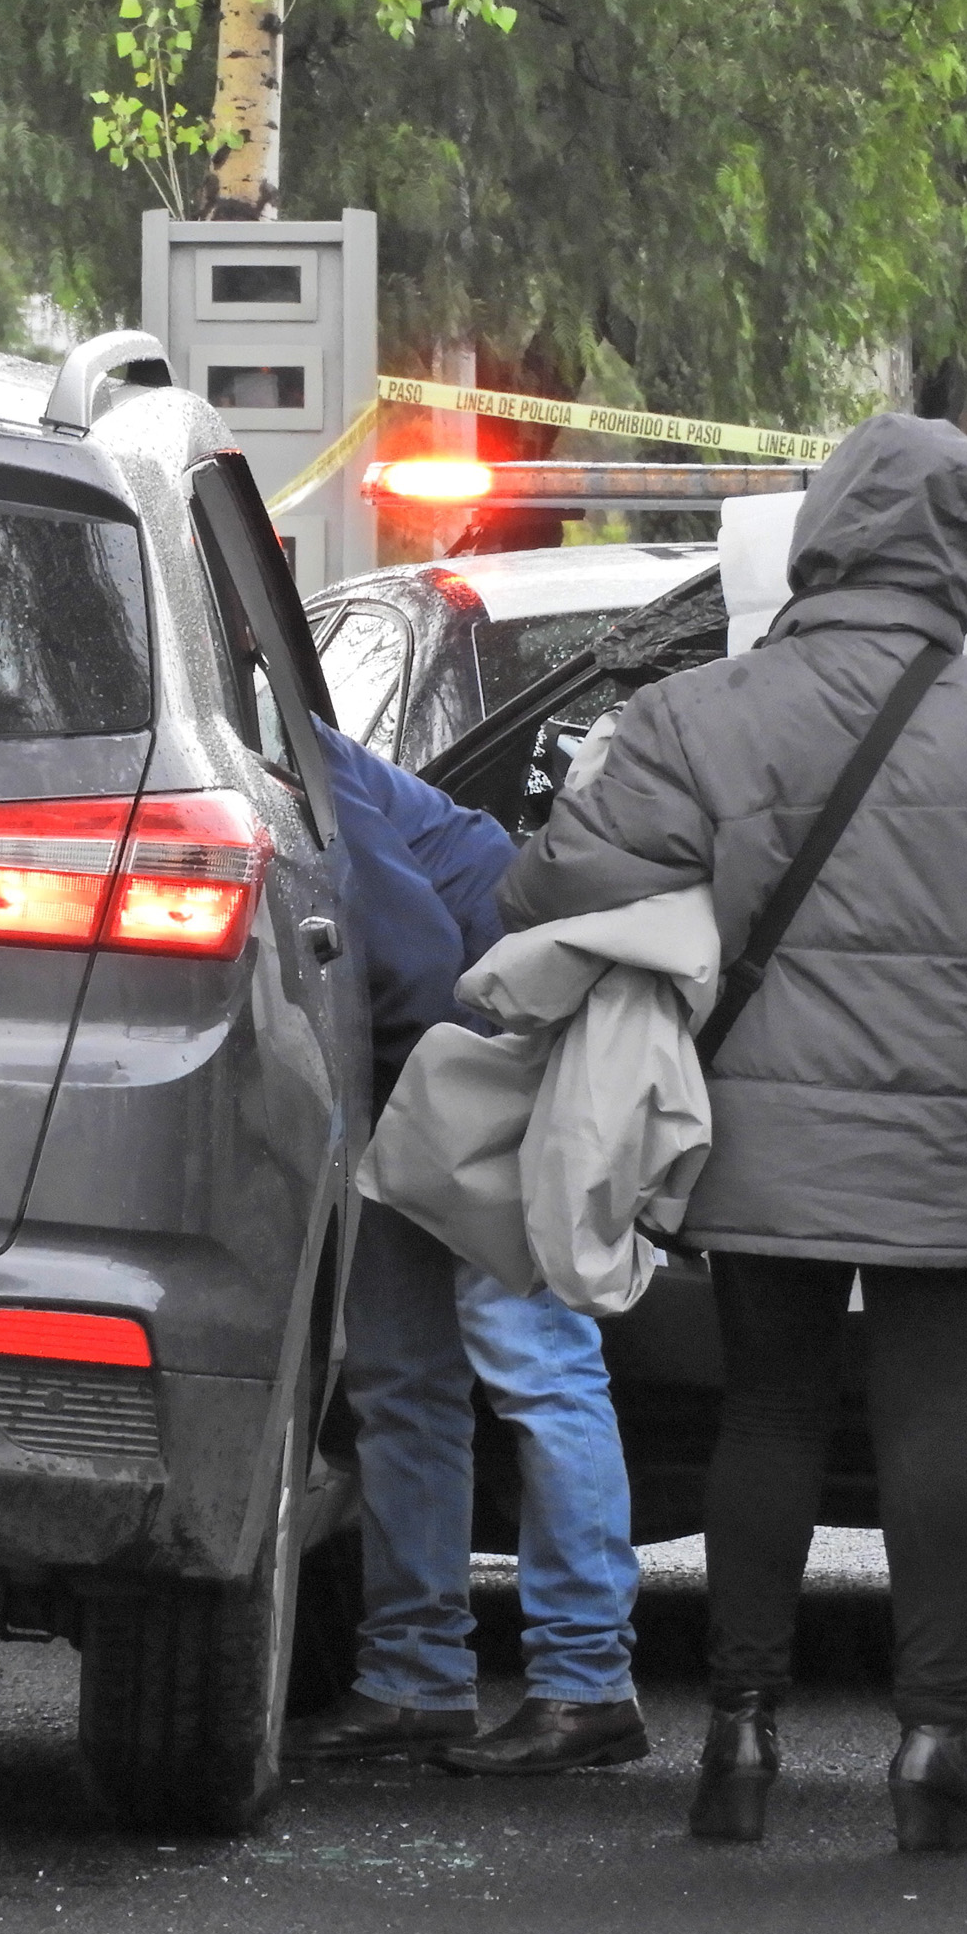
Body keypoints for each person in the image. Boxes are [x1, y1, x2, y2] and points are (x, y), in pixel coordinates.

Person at [499, 411, 967, 1851]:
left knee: (772, 1410)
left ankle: (739, 1740)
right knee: (937, 1417)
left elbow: (551, 893)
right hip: (965, 1146)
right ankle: (936, 1749)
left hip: (755, 1127)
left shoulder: (700, 714)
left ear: (822, 534)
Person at [283, 722, 649, 1779]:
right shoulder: (270, 748)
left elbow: (409, 956)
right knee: (404, 1376)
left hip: (479, 1054)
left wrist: (406, 1143)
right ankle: (413, 1679)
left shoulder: (296, 762)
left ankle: (586, 1684)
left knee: (532, 1360)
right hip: (435, 1061)